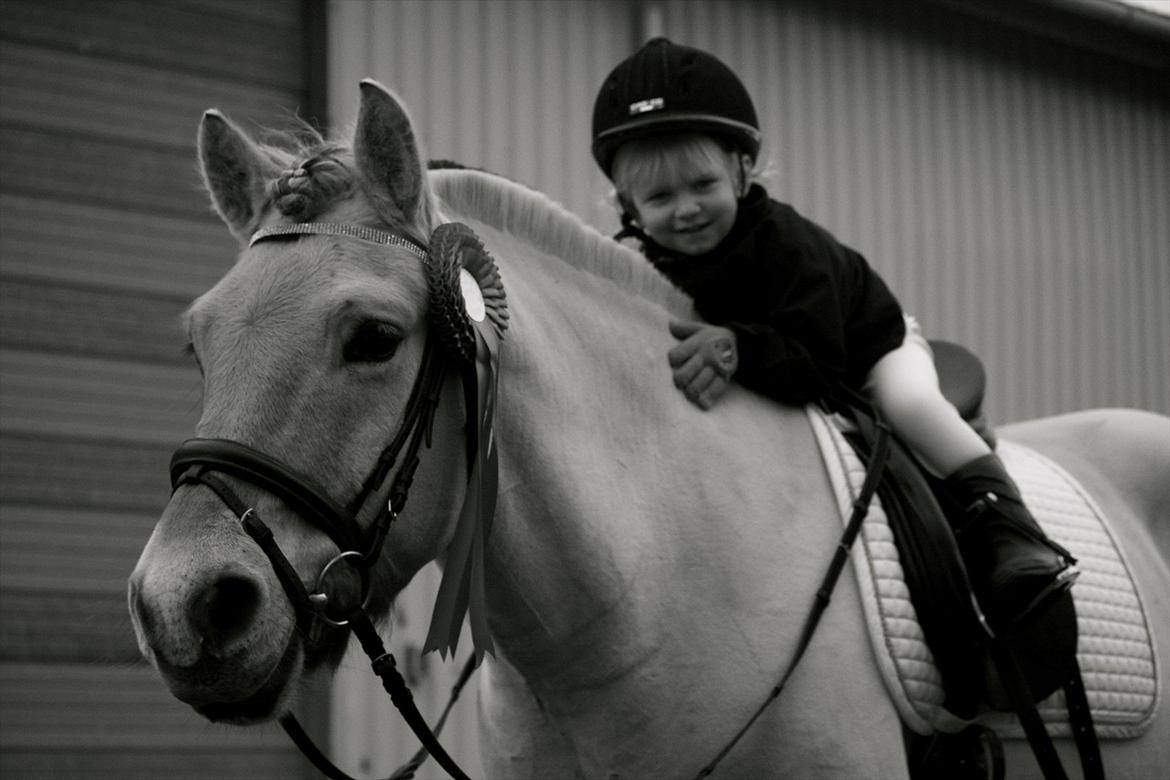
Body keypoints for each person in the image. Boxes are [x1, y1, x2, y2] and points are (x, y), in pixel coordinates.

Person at [590, 37, 1077, 634]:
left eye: (702, 184)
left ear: (742, 172)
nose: (686, 209)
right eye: (660, 197)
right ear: (628, 209)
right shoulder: (642, 267)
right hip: (769, 355)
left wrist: (739, 346)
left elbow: (818, 365)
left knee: (914, 405)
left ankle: (1014, 533)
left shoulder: (788, 245)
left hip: (864, 351)